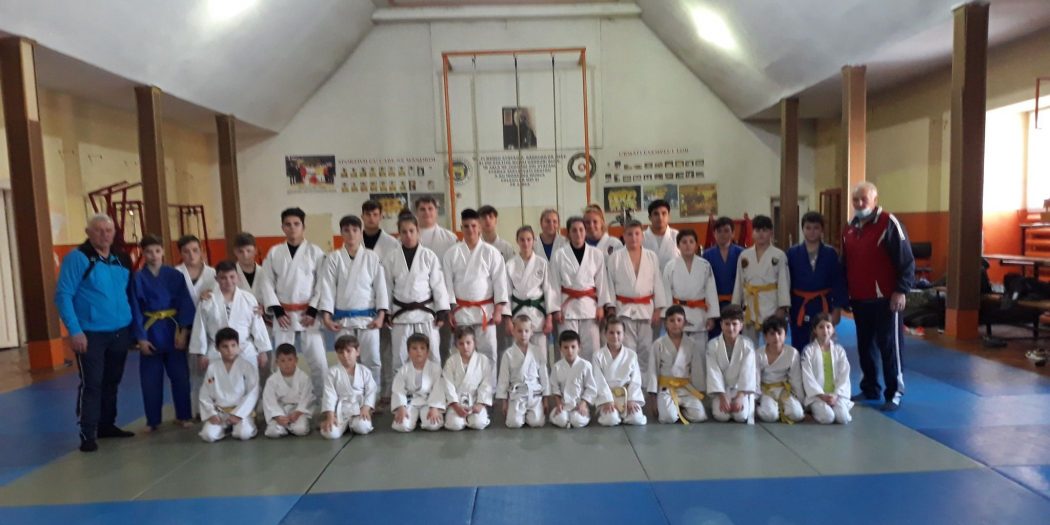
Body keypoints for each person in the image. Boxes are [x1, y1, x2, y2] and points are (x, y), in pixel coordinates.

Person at [55, 213, 137, 452]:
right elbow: (63, 295)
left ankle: (106, 425)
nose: (104, 235)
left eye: (108, 230)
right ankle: (87, 432)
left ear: (114, 233)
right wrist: (75, 330)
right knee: (92, 383)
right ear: (88, 232)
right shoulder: (78, 258)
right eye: (99, 230)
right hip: (90, 333)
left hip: (120, 331)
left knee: (112, 381)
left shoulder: (121, 259)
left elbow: (128, 293)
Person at [842, 182, 915, 411]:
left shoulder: (889, 223)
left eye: (863, 199)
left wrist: (901, 290)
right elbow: (846, 264)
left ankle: (894, 392)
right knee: (865, 347)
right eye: (855, 200)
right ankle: (870, 387)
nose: (859, 203)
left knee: (890, 347)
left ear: (875, 200)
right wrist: (845, 295)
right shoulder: (849, 228)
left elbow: (906, 260)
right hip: (859, 298)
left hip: (887, 299)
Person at [257, 207, 328, 401]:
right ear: (282, 227)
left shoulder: (315, 252)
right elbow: (266, 282)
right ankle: (283, 400)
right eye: (287, 224)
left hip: (308, 315)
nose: (292, 228)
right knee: (281, 361)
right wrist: (277, 310)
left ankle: (324, 400)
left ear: (303, 227)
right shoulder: (275, 252)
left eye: (296, 224)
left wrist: (313, 309)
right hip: (284, 315)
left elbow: (322, 282)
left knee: (319, 361)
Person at [130, 234, 195, 432]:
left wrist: (184, 332)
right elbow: (135, 309)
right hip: (150, 331)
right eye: (148, 252)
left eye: (157, 251)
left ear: (163, 251)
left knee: (180, 376)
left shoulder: (175, 275)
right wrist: (141, 338)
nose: (153, 255)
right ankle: (153, 420)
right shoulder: (138, 278)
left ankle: (183, 415)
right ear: (143, 253)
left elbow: (185, 304)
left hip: (173, 330)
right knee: (150, 380)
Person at [318, 215, 389, 389]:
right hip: (343, 320)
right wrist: (326, 317)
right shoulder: (334, 258)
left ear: (360, 232)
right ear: (341, 233)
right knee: (345, 360)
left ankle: (373, 395)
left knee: (372, 360)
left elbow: (380, 288)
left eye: (355, 230)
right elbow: (327, 288)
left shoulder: (372, 257)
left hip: (368, 319)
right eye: (346, 230)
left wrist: (381, 316)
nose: (351, 234)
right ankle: (348, 394)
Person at [383, 212, 450, 394]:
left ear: (418, 231)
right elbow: (386, 286)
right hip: (401, 315)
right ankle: (401, 398)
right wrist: (386, 311)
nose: (408, 235)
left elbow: (438, 285)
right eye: (404, 232)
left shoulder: (429, 256)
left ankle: (436, 395)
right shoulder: (391, 258)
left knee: (433, 355)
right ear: (399, 234)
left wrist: (442, 311)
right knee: (399, 359)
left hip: (426, 314)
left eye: (411, 231)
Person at [190, 261, 273, 405]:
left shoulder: (248, 298)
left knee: (251, 381)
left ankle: (248, 412)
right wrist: (201, 354)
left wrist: (263, 350)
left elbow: (258, 326)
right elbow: (200, 327)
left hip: (244, 346)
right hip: (217, 349)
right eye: (223, 277)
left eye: (232, 277)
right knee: (218, 383)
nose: (228, 281)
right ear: (216, 279)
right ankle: (223, 411)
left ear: (238, 277)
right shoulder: (207, 301)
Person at [444, 208, 508, 386]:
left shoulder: (491, 252)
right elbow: (448, 284)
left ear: (479, 227)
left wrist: (499, 310)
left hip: (485, 312)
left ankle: (489, 390)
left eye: (473, 226)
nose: (470, 230)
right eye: (466, 226)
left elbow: (500, 283)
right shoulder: (452, 253)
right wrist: (450, 310)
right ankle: (463, 388)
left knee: (488, 353)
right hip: (461, 312)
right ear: (461, 228)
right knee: (461, 353)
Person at [607, 220, 670, 378]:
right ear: (623, 236)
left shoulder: (651, 256)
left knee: (646, 349)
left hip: (646, 309)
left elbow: (657, 283)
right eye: (629, 234)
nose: (633, 237)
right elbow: (609, 284)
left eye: (637, 234)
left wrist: (658, 309)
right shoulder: (615, 257)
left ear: (642, 236)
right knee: (626, 349)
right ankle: (627, 383)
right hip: (623, 309)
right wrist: (611, 308)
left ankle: (645, 386)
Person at [550, 216, 613, 362]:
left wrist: (601, 306)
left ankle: (592, 376)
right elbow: (553, 284)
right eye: (574, 230)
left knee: (592, 349)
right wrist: (556, 309)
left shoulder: (596, 254)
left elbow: (602, 282)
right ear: (568, 234)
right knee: (568, 349)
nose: (578, 234)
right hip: (567, 308)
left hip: (590, 308)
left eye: (581, 230)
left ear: (585, 232)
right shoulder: (559, 255)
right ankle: (568, 376)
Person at [787, 211, 847, 349]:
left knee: (823, 344)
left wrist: (837, 309)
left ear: (822, 230)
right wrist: (787, 309)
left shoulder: (831, 253)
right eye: (808, 228)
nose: (812, 232)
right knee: (800, 344)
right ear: (802, 229)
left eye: (816, 228)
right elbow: (787, 283)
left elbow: (838, 282)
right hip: (799, 305)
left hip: (823, 305)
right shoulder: (792, 253)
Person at [732, 215, 790, 343]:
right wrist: (736, 306)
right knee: (749, 345)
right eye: (757, 230)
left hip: (772, 307)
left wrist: (782, 308)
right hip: (749, 308)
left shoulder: (779, 255)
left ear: (771, 233)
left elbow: (784, 282)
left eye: (764, 230)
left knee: (773, 343)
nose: (761, 234)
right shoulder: (744, 255)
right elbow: (739, 282)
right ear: (752, 233)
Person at [505, 225, 556, 370]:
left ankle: (544, 382)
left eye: (529, 239)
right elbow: (506, 294)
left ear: (534, 241)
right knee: (519, 356)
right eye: (522, 240)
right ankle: (519, 381)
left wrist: (549, 318)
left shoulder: (542, 263)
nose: (525, 243)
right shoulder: (510, 264)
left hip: (537, 314)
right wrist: (508, 320)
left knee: (541, 355)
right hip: (518, 313)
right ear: (517, 241)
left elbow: (548, 291)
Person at [198, 328, 259, 443]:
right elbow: (205, 393)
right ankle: (225, 428)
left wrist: (239, 414)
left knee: (243, 434)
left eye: (233, 345)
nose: (230, 350)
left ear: (238, 346)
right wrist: (211, 413)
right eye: (225, 346)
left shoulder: (246, 366)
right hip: (220, 412)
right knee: (208, 435)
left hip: (240, 411)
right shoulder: (212, 368)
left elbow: (253, 392)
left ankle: (242, 425)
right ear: (217, 348)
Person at [647, 306, 706, 424]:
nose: (676, 324)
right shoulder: (658, 344)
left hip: (685, 388)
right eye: (672, 320)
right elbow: (653, 371)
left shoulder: (691, 344)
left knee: (700, 416)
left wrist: (700, 391)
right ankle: (672, 409)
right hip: (666, 388)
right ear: (665, 323)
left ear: (685, 323)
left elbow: (697, 370)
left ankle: (679, 409)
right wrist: (653, 399)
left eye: (679, 320)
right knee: (668, 418)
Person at [663, 229, 720, 346]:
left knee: (700, 350)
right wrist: (667, 316)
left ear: (696, 245)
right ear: (678, 246)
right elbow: (666, 292)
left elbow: (711, 291)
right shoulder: (670, 266)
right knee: (679, 350)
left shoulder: (705, 265)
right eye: (684, 242)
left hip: (700, 314)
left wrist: (711, 316)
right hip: (678, 314)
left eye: (691, 241)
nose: (688, 245)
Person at [706, 305, 757, 424]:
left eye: (734, 324)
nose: (731, 328)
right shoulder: (713, 345)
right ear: (721, 325)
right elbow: (713, 371)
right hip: (721, 389)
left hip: (740, 389)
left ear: (741, 325)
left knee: (741, 417)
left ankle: (744, 399)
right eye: (727, 324)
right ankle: (722, 399)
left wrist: (740, 396)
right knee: (721, 416)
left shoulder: (747, 345)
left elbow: (748, 372)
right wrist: (722, 396)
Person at [496, 315, 548, 428]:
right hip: (517, 394)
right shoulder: (508, 354)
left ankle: (529, 414)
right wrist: (504, 402)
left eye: (526, 331)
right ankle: (519, 414)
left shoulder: (537, 351)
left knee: (537, 423)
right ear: (513, 332)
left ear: (532, 332)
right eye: (519, 331)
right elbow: (503, 379)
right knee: (514, 423)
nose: (523, 334)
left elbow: (544, 377)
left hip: (534, 394)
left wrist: (545, 399)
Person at [801, 313, 853, 424]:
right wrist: (821, 395)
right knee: (828, 417)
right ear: (815, 330)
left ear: (833, 329)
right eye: (821, 327)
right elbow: (807, 376)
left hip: (836, 395)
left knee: (843, 418)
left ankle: (836, 407)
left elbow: (844, 375)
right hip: (817, 396)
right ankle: (813, 412)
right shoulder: (808, 351)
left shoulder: (839, 351)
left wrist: (836, 395)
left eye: (828, 327)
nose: (825, 330)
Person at [320, 335, 377, 438]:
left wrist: (366, 408)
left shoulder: (365, 371)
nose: (345, 355)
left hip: (359, 409)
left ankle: (352, 425)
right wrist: (330, 416)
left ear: (357, 351)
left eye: (348, 351)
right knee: (330, 433)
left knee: (363, 427)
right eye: (340, 352)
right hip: (339, 411)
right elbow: (329, 395)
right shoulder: (332, 372)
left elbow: (371, 391)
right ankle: (341, 424)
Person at [593, 319, 647, 426]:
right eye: (611, 332)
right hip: (608, 397)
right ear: (605, 334)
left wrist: (632, 399)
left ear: (624, 335)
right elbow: (598, 380)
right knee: (610, 420)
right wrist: (607, 400)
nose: (615, 336)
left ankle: (624, 415)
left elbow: (636, 380)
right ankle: (616, 415)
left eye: (618, 333)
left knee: (636, 419)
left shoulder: (631, 355)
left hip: (627, 396)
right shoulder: (598, 355)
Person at [440, 326, 494, 431]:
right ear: (456, 345)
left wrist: (480, 404)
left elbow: (486, 384)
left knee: (478, 424)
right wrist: (455, 405)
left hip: (475, 401)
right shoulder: (451, 361)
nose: (465, 347)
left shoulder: (482, 360)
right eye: (461, 343)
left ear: (475, 343)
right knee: (455, 425)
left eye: (468, 343)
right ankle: (458, 417)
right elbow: (448, 384)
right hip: (457, 402)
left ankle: (474, 416)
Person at [391, 333, 445, 432]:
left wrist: (435, 407)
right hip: (410, 402)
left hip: (429, 402)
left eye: (422, 348)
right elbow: (398, 389)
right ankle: (414, 417)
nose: (418, 351)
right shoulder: (403, 370)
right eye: (414, 348)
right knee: (402, 426)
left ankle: (422, 417)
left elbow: (438, 389)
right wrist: (401, 407)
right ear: (408, 352)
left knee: (433, 425)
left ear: (427, 352)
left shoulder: (435, 369)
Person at [755, 316, 804, 424]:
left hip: (783, 390)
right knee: (770, 416)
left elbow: (796, 380)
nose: (776, 337)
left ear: (785, 335)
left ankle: (780, 409)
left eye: (779, 333)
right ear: (765, 337)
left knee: (797, 414)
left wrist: (801, 401)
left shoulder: (792, 353)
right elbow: (755, 380)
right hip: (765, 391)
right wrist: (754, 400)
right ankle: (758, 408)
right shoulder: (758, 354)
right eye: (772, 334)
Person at [261, 344, 315, 438]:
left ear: (296, 360)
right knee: (272, 432)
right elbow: (269, 401)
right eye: (282, 361)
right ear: (277, 362)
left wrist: (298, 412)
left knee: (300, 429)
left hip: (297, 411)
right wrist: (278, 416)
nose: (287, 364)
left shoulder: (304, 378)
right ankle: (284, 427)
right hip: (280, 410)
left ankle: (286, 427)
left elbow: (307, 398)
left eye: (290, 359)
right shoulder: (272, 380)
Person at [702, 216, 744, 338]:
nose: (722, 234)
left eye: (726, 230)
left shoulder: (741, 253)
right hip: (715, 304)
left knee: (735, 336)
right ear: (714, 234)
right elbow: (704, 283)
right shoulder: (707, 255)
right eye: (719, 231)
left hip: (735, 302)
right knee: (715, 337)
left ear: (733, 233)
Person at [548, 330, 598, 429]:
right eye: (565, 347)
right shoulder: (557, 366)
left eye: (573, 347)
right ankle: (566, 419)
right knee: (561, 420)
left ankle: (572, 419)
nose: (570, 351)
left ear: (579, 347)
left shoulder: (585, 365)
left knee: (577, 420)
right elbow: (554, 387)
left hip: (579, 405)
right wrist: (558, 404)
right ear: (560, 348)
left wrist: (583, 404)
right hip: (564, 405)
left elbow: (591, 388)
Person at [174, 235, 216, 305]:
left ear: (201, 250)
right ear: (180, 253)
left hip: (206, 311)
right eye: (186, 251)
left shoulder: (212, 273)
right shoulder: (175, 273)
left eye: (195, 250)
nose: (191, 255)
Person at [415, 195, 458, 260]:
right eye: (422, 209)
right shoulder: (407, 236)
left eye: (430, 208)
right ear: (416, 213)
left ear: (436, 212)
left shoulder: (451, 237)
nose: (427, 212)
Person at [643, 199, 680, 269]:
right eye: (656, 214)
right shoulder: (640, 237)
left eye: (664, 213)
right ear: (650, 217)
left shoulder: (677, 236)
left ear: (669, 216)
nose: (660, 217)